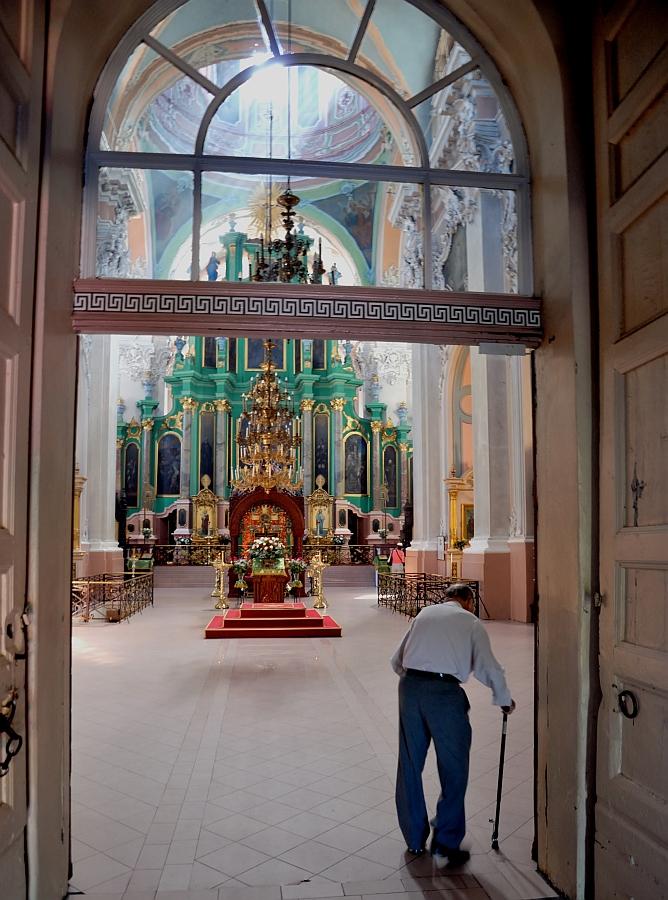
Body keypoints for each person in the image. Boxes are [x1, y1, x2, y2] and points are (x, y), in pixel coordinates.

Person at [390, 583, 515, 864]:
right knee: (454, 767)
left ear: (446, 597)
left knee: (409, 763)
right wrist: (503, 697)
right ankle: (445, 841)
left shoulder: (424, 614)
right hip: (444, 694)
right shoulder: (470, 621)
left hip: (409, 688)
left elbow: (396, 659)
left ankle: (414, 839)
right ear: (469, 601)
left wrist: (413, 680)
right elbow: (487, 666)